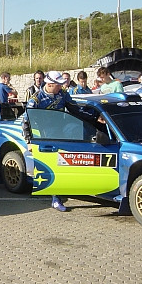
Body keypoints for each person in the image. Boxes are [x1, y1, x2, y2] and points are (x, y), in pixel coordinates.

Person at [26, 71, 97, 212]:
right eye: (58, 85)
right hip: (47, 135)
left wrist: (95, 117)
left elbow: (75, 109)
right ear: (50, 84)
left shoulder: (63, 93)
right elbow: (26, 121)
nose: (61, 87)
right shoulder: (36, 100)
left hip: (63, 130)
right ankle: (56, 199)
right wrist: (29, 141)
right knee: (54, 166)